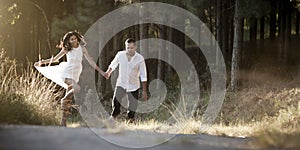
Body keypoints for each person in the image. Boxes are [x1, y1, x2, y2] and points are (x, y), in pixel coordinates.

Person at [34, 31, 105, 127]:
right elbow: (55, 59)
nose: (74, 40)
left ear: (78, 38)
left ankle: (63, 123)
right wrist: (42, 62)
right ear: (69, 41)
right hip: (67, 73)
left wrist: (102, 72)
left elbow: (91, 62)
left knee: (69, 100)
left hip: (75, 75)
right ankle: (64, 99)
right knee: (77, 88)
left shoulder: (82, 49)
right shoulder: (67, 49)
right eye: (71, 39)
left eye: (75, 38)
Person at [104, 38, 148, 123]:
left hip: (134, 85)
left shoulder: (140, 58)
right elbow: (113, 64)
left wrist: (144, 90)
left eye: (131, 48)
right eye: (128, 47)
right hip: (121, 83)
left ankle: (130, 119)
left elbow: (143, 75)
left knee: (133, 105)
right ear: (125, 47)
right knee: (116, 100)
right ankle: (114, 115)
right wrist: (108, 72)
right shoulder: (120, 55)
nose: (129, 50)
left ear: (135, 47)